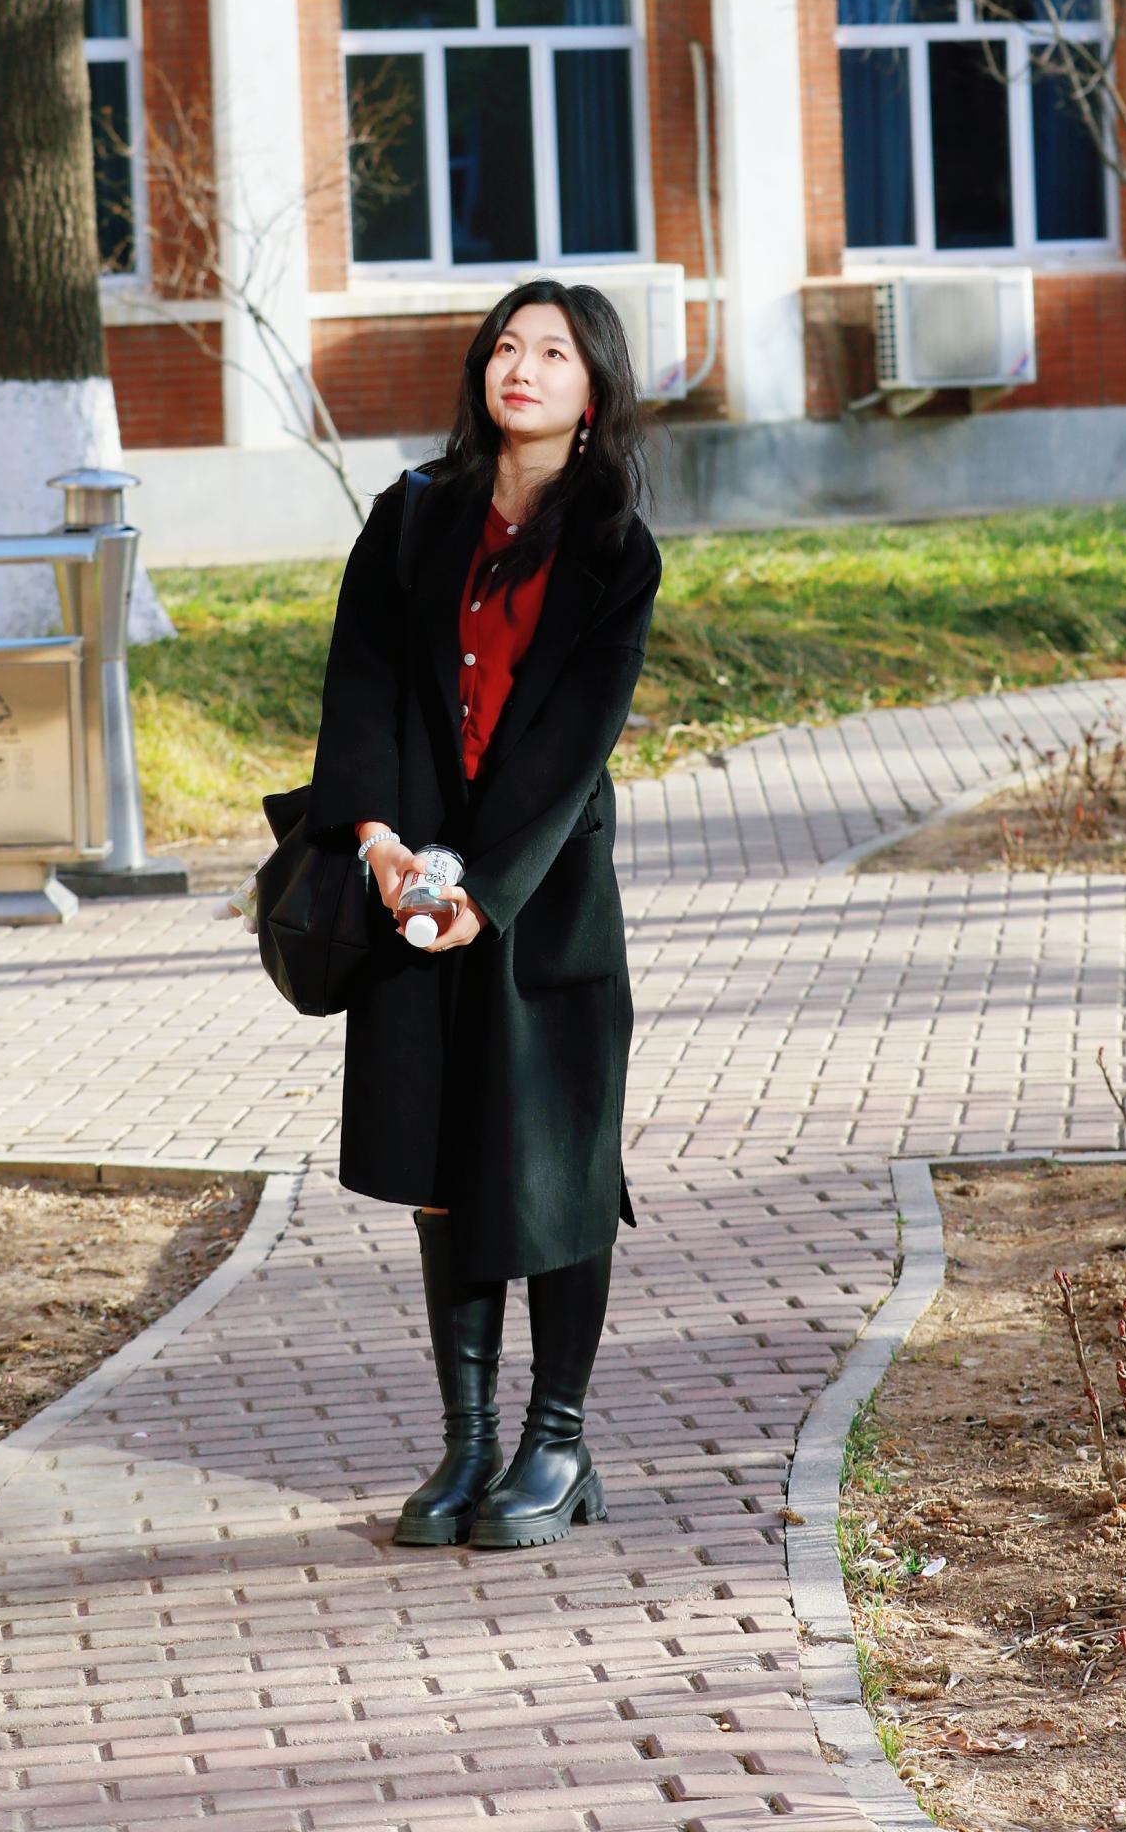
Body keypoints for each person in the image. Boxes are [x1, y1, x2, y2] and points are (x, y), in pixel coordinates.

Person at [301, 277, 661, 1549]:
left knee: (556, 1167)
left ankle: (554, 1446)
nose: (522, 366)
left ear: (592, 390)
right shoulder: (411, 515)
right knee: (444, 1169)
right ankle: (467, 1445)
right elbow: (362, 685)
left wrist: (485, 894)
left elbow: (572, 748)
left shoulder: (614, 548)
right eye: (506, 346)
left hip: (540, 902)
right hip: (410, 890)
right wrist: (379, 844)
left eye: (553, 352)